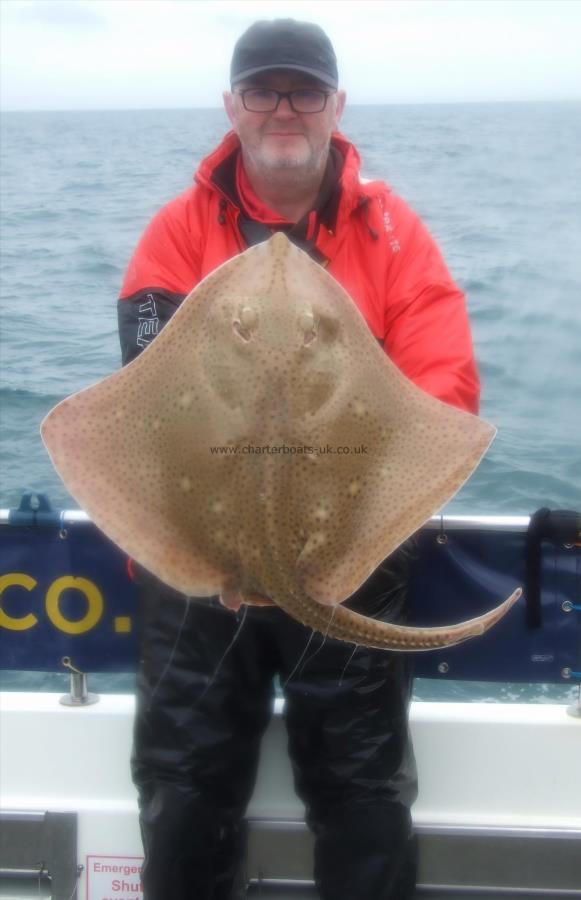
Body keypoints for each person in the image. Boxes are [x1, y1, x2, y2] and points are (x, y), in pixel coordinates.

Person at [117, 19, 480, 900]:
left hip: (345, 555)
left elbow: (443, 389)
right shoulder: (174, 232)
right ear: (232, 106)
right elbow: (144, 402)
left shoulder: (392, 233)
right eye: (264, 89)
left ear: (335, 107)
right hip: (202, 565)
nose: (285, 108)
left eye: (305, 90)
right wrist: (205, 550)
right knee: (185, 784)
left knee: (359, 787)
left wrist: (352, 536)